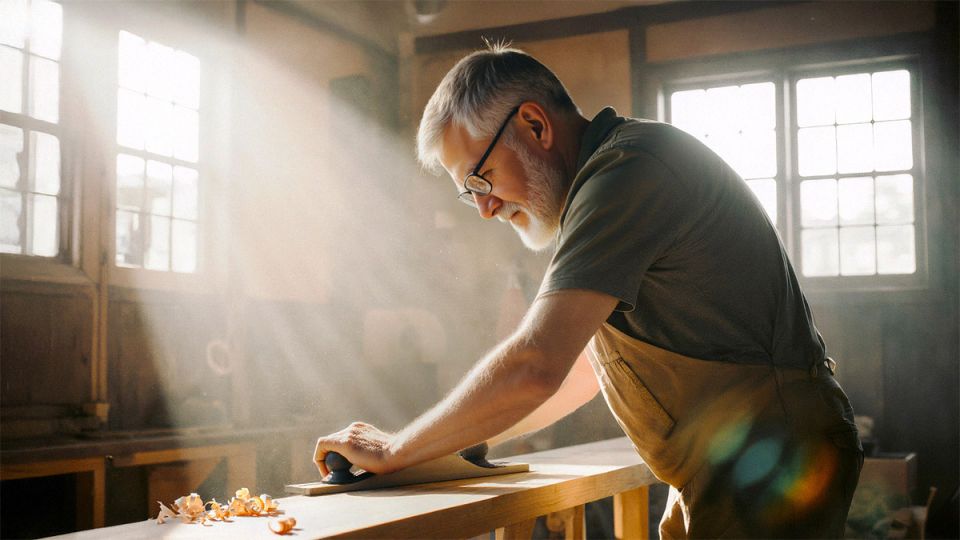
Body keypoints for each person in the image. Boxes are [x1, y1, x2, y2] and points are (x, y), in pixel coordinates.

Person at [314, 43, 863, 538]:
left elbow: (536, 365)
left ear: (534, 124)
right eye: (468, 194)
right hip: (726, 460)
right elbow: (577, 375)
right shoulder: (602, 187)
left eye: (481, 179)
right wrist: (450, 448)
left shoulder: (627, 171)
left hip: (770, 456)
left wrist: (395, 448)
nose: (483, 208)